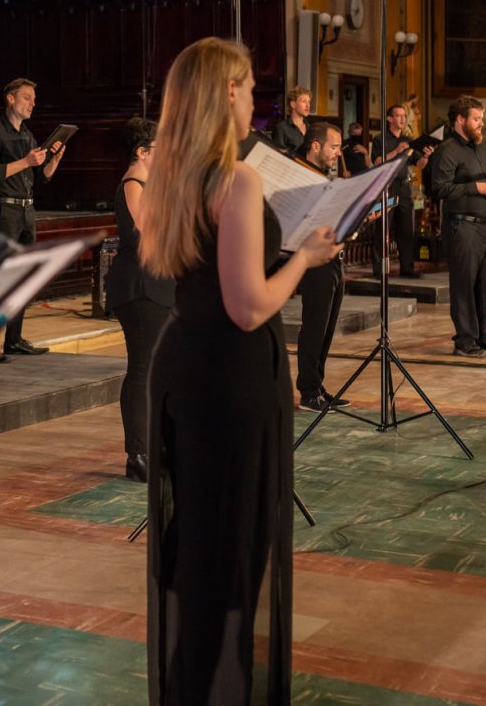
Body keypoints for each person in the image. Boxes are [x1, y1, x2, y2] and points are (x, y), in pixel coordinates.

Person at [138, 37, 339, 705]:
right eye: (251, 87)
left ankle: (192, 687)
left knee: (197, 549)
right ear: (228, 91)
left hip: (186, 365)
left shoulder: (173, 173)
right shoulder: (237, 179)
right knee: (232, 557)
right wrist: (305, 258)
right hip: (230, 377)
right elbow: (249, 306)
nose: (256, 100)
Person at [106, 117, 173, 482]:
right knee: (143, 369)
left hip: (158, 283)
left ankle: (156, 445)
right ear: (142, 152)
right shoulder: (133, 184)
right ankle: (138, 455)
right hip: (139, 287)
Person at [0, 77, 65, 358]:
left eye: (34, 99)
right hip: (5, 211)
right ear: (10, 98)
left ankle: (14, 339)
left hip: (26, 211)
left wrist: (54, 160)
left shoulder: (27, 134)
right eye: (27, 97)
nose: (32, 104)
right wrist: (26, 161)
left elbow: (41, 177)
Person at [430, 95, 486, 358]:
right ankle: (464, 340)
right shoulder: (447, 150)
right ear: (460, 119)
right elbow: (439, 189)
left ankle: (480, 335)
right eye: (476, 119)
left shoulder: (482, 147)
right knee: (464, 285)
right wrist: (473, 187)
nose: (481, 123)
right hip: (463, 226)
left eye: (481, 118)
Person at [294, 120, 353, 413]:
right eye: (334, 147)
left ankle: (317, 386)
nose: (338, 153)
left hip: (333, 261)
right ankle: (308, 391)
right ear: (315, 146)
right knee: (315, 326)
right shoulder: (299, 175)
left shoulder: (324, 176)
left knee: (327, 328)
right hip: (313, 262)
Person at [371, 102, 425, 279]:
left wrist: (426, 155)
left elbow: (420, 164)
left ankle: (407, 268)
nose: (403, 119)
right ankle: (379, 269)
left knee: (406, 229)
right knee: (383, 228)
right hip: (386, 186)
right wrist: (396, 151)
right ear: (389, 119)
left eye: (404, 116)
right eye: (399, 115)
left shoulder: (409, 140)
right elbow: (377, 162)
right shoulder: (380, 139)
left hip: (404, 187)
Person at [267, 85, 311, 152]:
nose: (308, 105)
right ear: (293, 104)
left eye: (309, 102)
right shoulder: (281, 128)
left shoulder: (311, 128)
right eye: (304, 101)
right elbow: (279, 154)